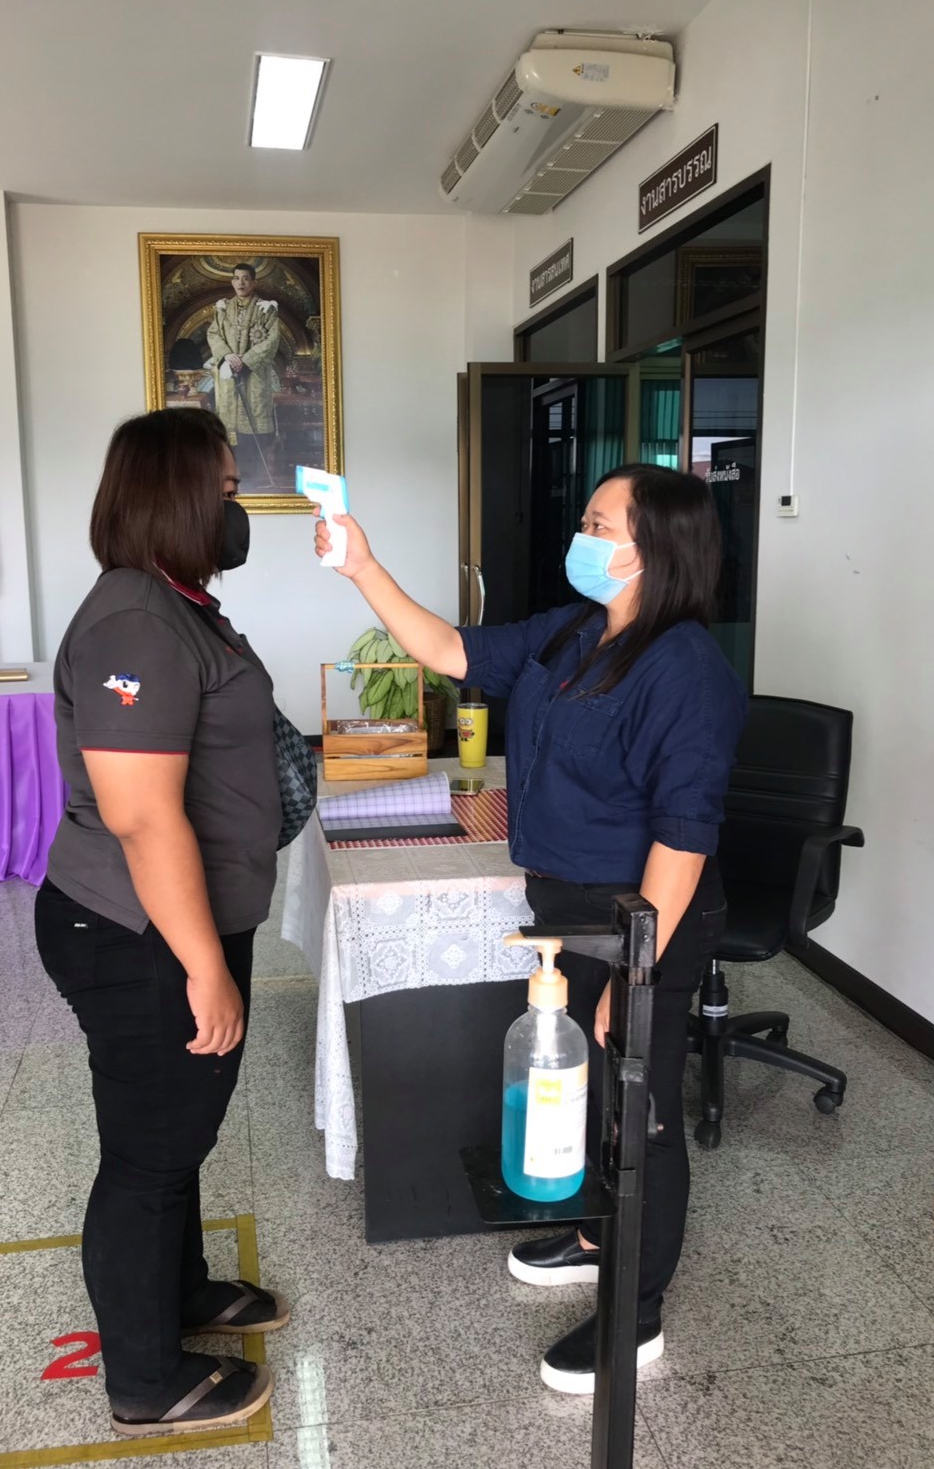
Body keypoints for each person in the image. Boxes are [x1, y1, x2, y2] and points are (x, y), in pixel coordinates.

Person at [314, 463, 748, 1396]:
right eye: (586, 519)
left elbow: (683, 839)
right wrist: (362, 566)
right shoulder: (573, 630)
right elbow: (450, 650)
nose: (581, 536)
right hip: (567, 908)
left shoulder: (687, 671)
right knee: (585, 1090)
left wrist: (634, 975)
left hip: (644, 921)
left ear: (653, 548)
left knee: (640, 1111)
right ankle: (596, 1236)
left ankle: (636, 1313)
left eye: (599, 524)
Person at [35, 408, 288, 1438]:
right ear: (176, 497)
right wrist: (204, 967)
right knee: (148, 1154)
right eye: (225, 488)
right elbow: (140, 816)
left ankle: (179, 1293)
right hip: (139, 935)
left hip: (176, 924)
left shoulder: (177, 605)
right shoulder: (134, 624)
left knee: (175, 1133)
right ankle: (145, 1379)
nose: (236, 505)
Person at [206, 262, 280, 488]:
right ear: (232, 282)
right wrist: (228, 356)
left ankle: (255, 480)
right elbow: (213, 334)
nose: (241, 282)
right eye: (237, 278)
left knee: (253, 425)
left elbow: (272, 340)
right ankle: (231, 478)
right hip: (229, 375)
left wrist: (246, 361)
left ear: (253, 282)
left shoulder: (266, 310)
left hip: (254, 377)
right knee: (230, 431)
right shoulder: (223, 309)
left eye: (246, 278)